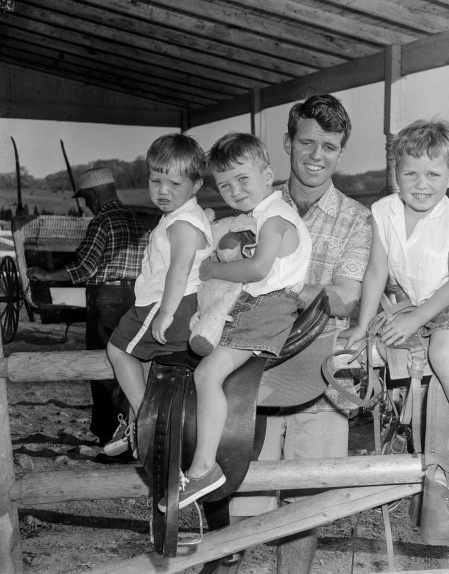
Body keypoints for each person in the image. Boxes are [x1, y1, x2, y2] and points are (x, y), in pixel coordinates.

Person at [225, 94, 372, 574]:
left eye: (329, 146)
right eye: (307, 142)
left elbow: (345, 297)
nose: (316, 155)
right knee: (241, 495)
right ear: (287, 143)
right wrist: (309, 288)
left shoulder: (357, 218)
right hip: (251, 373)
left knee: (305, 505)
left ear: (340, 151)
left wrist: (266, 278)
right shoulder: (251, 203)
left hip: (320, 375)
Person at [344, 118, 449, 513]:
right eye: (410, 173)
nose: (421, 183)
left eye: (433, 174)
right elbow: (376, 271)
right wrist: (361, 324)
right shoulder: (383, 211)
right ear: (396, 174)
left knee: (443, 353)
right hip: (419, 298)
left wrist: (413, 319)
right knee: (383, 346)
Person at [156, 132, 312, 511]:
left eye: (243, 179)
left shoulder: (274, 218)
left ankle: (203, 468)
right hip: (263, 304)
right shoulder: (266, 216)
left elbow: (258, 270)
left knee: (207, 375)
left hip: (268, 308)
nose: (235, 190)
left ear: (269, 174)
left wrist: (211, 269)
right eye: (225, 185)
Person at [103, 133, 214, 456]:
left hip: (166, 303)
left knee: (118, 351)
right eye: (155, 181)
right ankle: (142, 416)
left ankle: (144, 418)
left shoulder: (181, 224)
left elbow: (179, 270)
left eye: (174, 185)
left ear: (195, 186)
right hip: (175, 302)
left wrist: (165, 313)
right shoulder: (186, 216)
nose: (162, 191)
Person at [28, 167, 150, 457]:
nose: (86, 205)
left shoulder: (102, 221)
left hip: (106, 298)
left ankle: (113, 439)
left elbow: (84, 267)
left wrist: (47, 275)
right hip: (135, 298)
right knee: (129, 366)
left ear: (94, 194)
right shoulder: (136, 220)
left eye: (86, 199)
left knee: (104, 367)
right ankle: (132, 434)